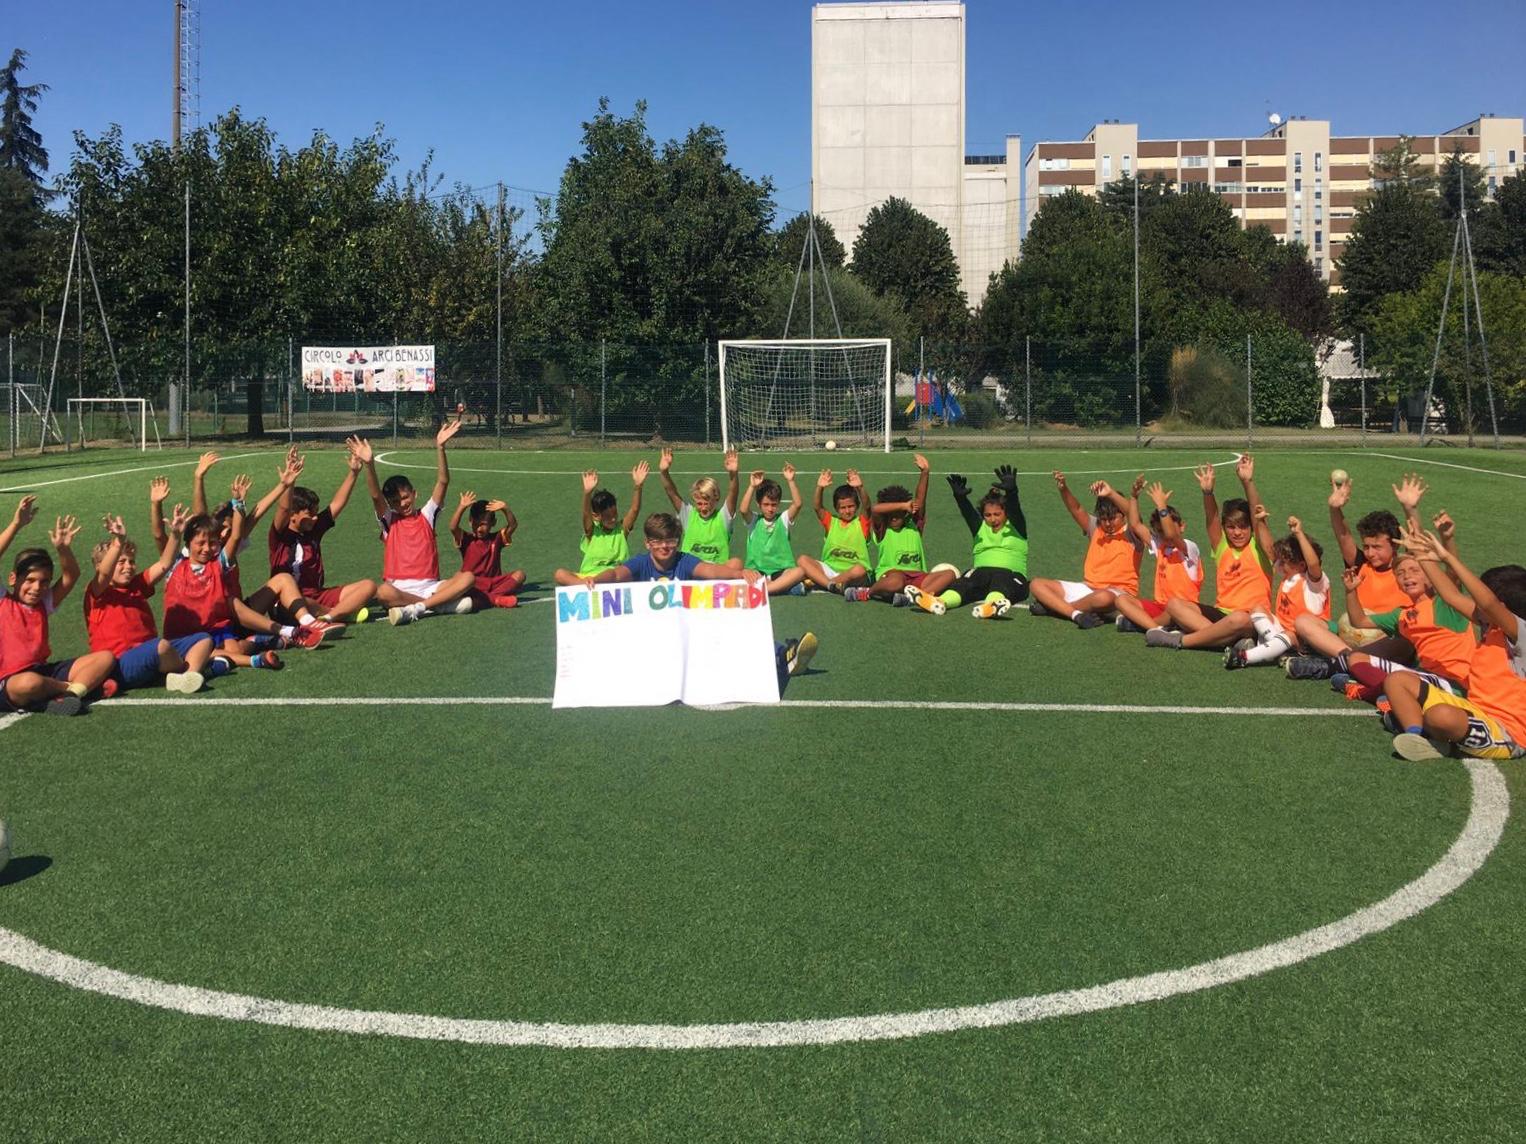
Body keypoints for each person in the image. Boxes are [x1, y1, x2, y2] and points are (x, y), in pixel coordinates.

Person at [578, 512, 817, 691]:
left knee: (731, 616)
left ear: (678, 542)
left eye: (670, 541)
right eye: (658, 542)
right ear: (647, 543)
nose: (665, 547)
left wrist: (740, 575)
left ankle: (784, 654)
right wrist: (597, 580)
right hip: (652, 639)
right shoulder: (641, 563)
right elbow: (617, 574)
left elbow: (711, 571)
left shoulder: (684, 561)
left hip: (687, 635)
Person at [1383, 530, 1526, 761]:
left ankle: (1430, 730)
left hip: (1506, 733)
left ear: (1500, 606)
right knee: (1397, 680)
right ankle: (1416, 734)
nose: (1474, 602)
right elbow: (1448, 594)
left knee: (1441, 716)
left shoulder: (1520, 633)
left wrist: (1449, 559)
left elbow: (1487, 602)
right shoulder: (1488, 624)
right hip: (1473, 710)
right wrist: (1421, 554)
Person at [1284, 474, 1415, 679]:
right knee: (1303, 622)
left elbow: (1417, 542)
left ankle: (1336, 662)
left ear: (1395, 545)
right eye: (1367, 546)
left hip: (1389, 637)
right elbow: (1343, 536)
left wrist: (1410, 509)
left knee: (1407, 640)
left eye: (1377, 547)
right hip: (1352, 633)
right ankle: (1348, 659)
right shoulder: (1361, 564)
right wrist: (1335, 509)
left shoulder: (1406, 568)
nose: (1370, 553)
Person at [0, 499, 117, 716]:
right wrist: (16, 524)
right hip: (9, 681)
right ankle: (71, 690)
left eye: (44, 582)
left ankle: (67, 696)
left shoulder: (44, 602)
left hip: (43, 670)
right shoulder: (3, 601)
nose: (37, 588)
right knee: (27, 683)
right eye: (30, 580)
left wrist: (63, 549)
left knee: (105, 658)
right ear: (12, 578)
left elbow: (71, 575)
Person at [1147, 455, 1274, 652]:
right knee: (1174, 605)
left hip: (1250, 620)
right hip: (1220, 614)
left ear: (1250, 527)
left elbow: (1256, 514)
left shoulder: (1259, 548)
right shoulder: (1222, 546)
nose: (1237, 532)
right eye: (1231, 527)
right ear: (1224, 528)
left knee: (1239, 618)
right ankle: (1229, 641)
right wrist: (1208, 493)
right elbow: (1212, 517)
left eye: (1242, 526)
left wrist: (1247, 482)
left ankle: (1181, 641)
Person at [358, 421, 478, 626]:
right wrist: (369, 465)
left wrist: (440, 447)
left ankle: (420, 607)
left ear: (414, 494)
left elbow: (443, 482)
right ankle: (440, 605)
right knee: (383, 592)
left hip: (431, 586)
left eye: (405, 498)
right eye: (395, 502)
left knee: (468, 578)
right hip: (399, 589)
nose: (402, 504)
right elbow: (376, 496)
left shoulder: (427, 515)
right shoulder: (389, 521)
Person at [85, 507, 214, 694]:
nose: (128, 567)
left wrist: (176, 534)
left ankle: (187, 677)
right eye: (121, 562)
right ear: (101, 565)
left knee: (203, 639)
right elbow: (104, 573)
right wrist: (118, 541)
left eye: (131, 561)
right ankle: (182, 672)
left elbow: (163, 564)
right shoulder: (97, 592)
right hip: (121, 663)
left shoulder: (136, 585)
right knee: (161, 646)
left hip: (152, 652)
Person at [1336, 542, 1476, 703]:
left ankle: (1371, 693)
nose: (1407, 576)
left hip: (1455, 683)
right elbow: (1359, 620)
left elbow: (1453, 576)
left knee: (1400, 680)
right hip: (1425, 677)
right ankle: (1393, 697)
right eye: (1400, 573)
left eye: (1414, 571)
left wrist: (1447, 537)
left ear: (1432, 578)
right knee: (1356, 658)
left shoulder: (1447, 604)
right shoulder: (1402, 614)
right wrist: (1350, 591)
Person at [266, 438, 377, 624]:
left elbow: (337, 505)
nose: (315, 518)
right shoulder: (280, 536)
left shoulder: (313, 529)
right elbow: (283, 508)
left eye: (316, 513)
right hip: (290, 601)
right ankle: (341, 612)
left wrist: (353, 473)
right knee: (302, 603)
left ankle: (330, 616)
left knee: (369, 586)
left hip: (319, 595)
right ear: (293, 515)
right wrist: (289, 482)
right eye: (310, 514)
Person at [161, 511, 286, 671]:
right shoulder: (176, 565)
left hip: (215, 627)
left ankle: (257, 646)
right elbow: (159, 536)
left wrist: (238, 507)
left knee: (232, 651)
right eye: (201, 543)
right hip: (183, 634)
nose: (206, 548)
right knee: (209, 652)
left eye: (212, 543)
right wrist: (159, 509)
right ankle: (257, 654)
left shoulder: (218, 564)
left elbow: (235, 537)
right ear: (187, 544)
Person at [1029, 472, 1144, 629]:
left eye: (1113, 518)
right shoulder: (1095, 528)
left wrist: (1111, 493)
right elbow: (1076, 509)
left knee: (1103, 598)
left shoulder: (1132, 533)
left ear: (1122, 516)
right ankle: (1075, 613)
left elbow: (1134, 516)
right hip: (1087, 589)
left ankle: (1055, 608)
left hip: (1118, 594)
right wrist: (1064, 489)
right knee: (1036, 584)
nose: (1108, 523)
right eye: (1104, 519)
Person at [844, 454, 957, 611]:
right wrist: (903, 505)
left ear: (906, 515)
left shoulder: (914, 526)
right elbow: (875, 509)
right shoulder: (883, 529)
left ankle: (916, 597)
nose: (894, 518)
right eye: (891, 514)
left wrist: (925, 473)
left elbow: (920, 500)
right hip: (892, 575)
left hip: (917, 577)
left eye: (899, 515)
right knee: (896, 582)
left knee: (950, 574)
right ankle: (867, 592)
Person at [1223, 512, 1331, 669]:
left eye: (1285, 562)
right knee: (1257, 608)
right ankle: (1279, 650)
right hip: (1284, 634)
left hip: (1306, 639)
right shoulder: (1289, 576)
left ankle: (1244, 657)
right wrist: (1261, 523)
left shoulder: (1314, 583)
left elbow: (1313, 564)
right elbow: (1270, 551)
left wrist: (1299, 534)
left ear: (1301, 565)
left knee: (1288, 635)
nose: (1279, 564)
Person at [929, 464, 1029, 619]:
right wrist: (960, 498)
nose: (993, 519)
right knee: (966, 581)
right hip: (982, 574)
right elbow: (968, 514)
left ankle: (992, 605)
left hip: (1013, 578)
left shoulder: (1016, 527)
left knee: (1001, 580)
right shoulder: (980, 528)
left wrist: (1011, 492)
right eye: (988, 515)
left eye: (997, 514)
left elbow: (1015, 509)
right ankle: (939, 602)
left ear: (1005, 513)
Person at [1112, 481, 1204, 635]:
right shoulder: (1160, 546)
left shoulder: (1189, 548)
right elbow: (1134, 525)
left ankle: (1142, 625)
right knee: (1121, 600)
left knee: (1173, 611)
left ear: (1182, 526)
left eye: (1167, 527)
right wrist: (1134, 497)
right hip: (1159, 607)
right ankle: (1158, 629)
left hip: (1183, 608)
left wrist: (1162, 505)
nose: (1163, 534)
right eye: (1159, 531)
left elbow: (1171, 535)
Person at [553, 463, 648, 587]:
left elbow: (634, 510)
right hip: (588, 577)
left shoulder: (621, 529)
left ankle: (585, 587)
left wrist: (638, 486)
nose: (613, 519)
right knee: (559, 574)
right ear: (596, 516)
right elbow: (586, 514)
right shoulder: (592, 532)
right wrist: (587, 493)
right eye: (608, 517)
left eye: (615, 514)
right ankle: (584, 585)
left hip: (613, 577)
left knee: (614, 574)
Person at [658, 446, 742, 569]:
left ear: (716, 498)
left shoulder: (723, 517)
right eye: (699, 503)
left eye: (706, 503)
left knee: (736, 563)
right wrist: (664, 472)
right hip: (691, 571)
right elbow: (671, 492)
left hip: (716, 573)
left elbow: (733, 494)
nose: (703, 508)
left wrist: (733, 474)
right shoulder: (689, 515)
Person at [795, 469, 871, 592]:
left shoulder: (861, 523)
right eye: (843, 508)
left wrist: (860, 487)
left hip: (851, 572)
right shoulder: (832, 522)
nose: (847, 511)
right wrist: (820, 487)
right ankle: (831, 585)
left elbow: (867, 507)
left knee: (859, 570)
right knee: (802, 560)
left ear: (857, 506)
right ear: (836, 508)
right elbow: (817, 507)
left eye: (851, 506)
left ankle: (822, 582)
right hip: (829, 570)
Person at [738, 463, 808, 596]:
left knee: (799, 571)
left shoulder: (783, 519)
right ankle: (784, 588)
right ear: (758, 504)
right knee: (742, 575)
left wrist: (791, 480)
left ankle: (765, 589)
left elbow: (798, 504)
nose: (770, 508)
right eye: (766, 504)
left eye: (774, 505)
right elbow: (743, 509)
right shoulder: (754, 521)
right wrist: (752, 486)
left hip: (781, 571)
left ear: (779, 504)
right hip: (757, 571)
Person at [448, 490, 526, 608]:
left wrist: (505, 508)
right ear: (470, 522)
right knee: (460, 578)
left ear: (493, 523)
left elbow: (512, 525)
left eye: (483, 524)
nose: (479, 529)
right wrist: (462, 507)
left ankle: (489, 598)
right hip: (473, 583)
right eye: (476, 524)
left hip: (494, 582)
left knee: (520, 575)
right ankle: (496, 599)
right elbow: (453, 527)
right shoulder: (466, 539)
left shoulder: (497, 538)